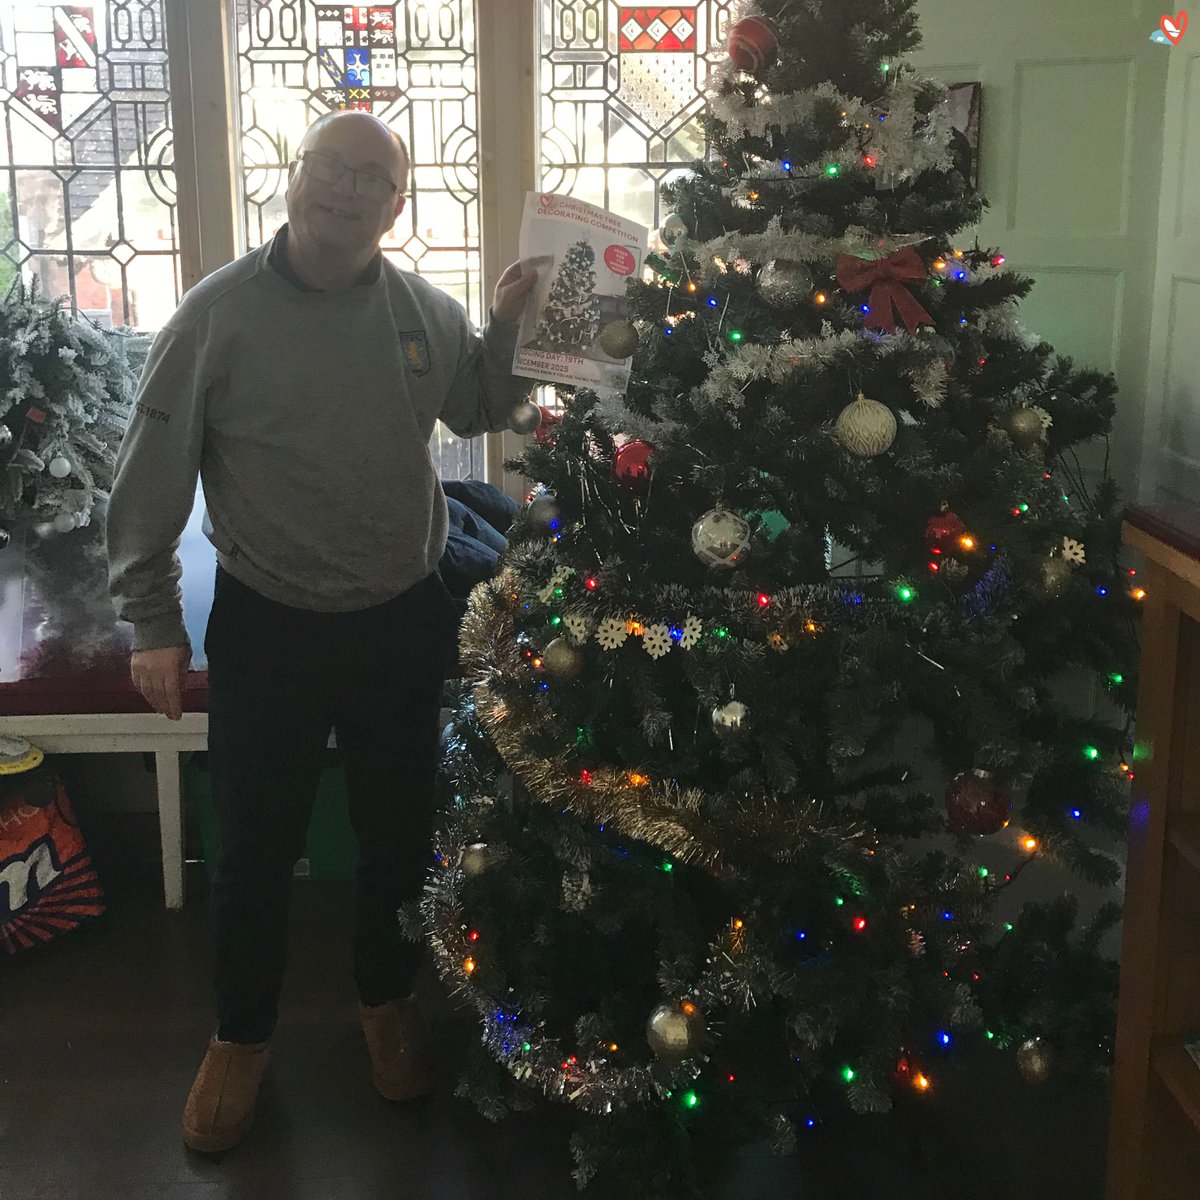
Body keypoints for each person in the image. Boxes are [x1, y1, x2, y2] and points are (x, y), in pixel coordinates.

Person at [105, 110, 536, 1154]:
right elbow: (149, 481)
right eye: (329, 168)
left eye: (371, 178)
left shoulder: (423, 311)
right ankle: (241, 1040)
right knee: (254, 852)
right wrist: (154, 623)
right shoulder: (216, 317)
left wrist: (513, 327)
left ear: (398, 205)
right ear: (293, 181)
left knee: (400, 835)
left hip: (403, 618)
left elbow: (479, 404)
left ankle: (384, 1005)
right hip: (269, 623)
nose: (346, 189)